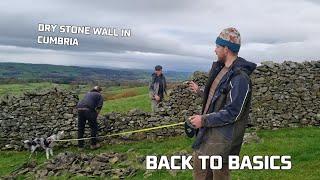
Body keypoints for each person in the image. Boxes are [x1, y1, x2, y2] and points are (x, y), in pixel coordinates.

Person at [188, 27, 257, 180]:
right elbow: (217, 98)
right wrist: (200, 91)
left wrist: (203, 120)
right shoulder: (221, 70)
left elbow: (233, 112)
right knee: (200, 175)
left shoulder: (240, 78)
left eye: (218, 46)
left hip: (221, 141)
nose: (215, 50)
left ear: (226, 49)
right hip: (206, 134)